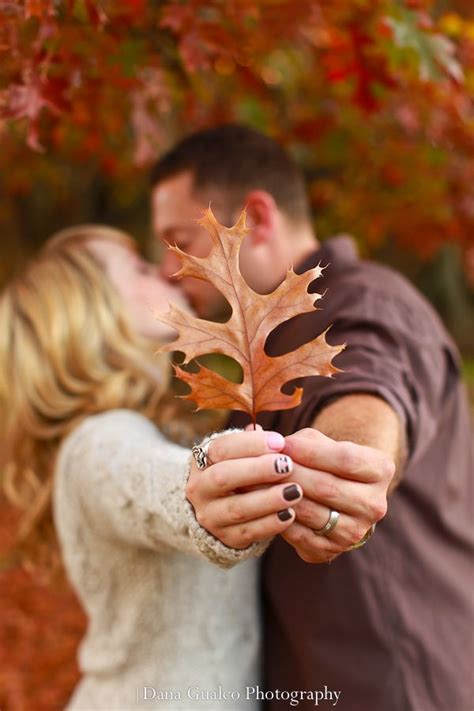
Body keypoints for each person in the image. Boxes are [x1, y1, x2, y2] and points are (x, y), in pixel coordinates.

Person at [150, 125, 474, 710]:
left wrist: (351, 466)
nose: (171, 272)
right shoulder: (273, 344)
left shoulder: (367, 305)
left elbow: (371, 390)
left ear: (257, 218)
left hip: (395, 685)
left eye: (180, 242)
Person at [0, 224, 315, 710]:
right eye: (143, 269)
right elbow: (148, 480)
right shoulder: (94, 444)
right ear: (92, 313)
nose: (169, 272)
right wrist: (201, 487)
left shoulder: (154, 428)